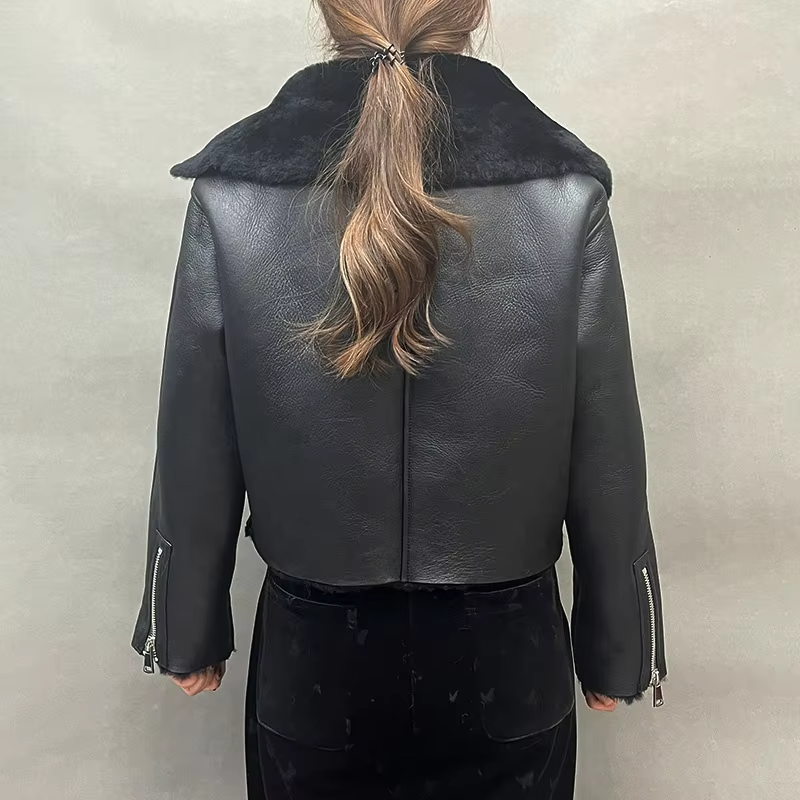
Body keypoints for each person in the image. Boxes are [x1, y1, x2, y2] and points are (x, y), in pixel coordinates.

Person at [132, 1, 667, 797]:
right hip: (508, 655)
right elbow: (605, 442)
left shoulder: (233, 195)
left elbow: (196, 432)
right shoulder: (564, 194)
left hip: (315, 658)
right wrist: (619, 644)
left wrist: (185, 625)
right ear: (472, 10)